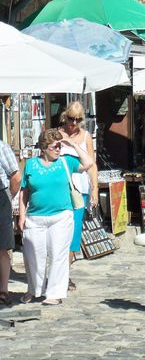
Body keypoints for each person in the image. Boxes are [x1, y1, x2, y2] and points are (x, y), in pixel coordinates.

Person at [18, 128, 94, 305]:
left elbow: (88, 162)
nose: (59, 149)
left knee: (58, 255)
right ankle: (34, 289)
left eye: (60, 146)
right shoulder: (31, 164)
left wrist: (73, 144)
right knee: (33, 255)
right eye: (55, 147)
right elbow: (24, 191)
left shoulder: (66, 161)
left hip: (61, 216)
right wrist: (22, 216)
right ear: (44, 148)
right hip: (35, 218)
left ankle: (55, 293)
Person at [59, 101, 98, 291]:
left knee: (73, 233)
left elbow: (92, 164)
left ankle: (65, 275)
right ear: (64, 116)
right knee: (59, 232)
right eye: (70, 118)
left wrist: (95, 189)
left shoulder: (86, 137)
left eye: (78, 119)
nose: (73, 123)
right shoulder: (56, 134)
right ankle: (59, 273)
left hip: (79, 190)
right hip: (60, 189)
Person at [0, 139, 21, 306]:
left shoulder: (1, 146)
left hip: (1, 197)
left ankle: (3, 290)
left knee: (1, 246)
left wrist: (8, 198)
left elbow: (16, 177)